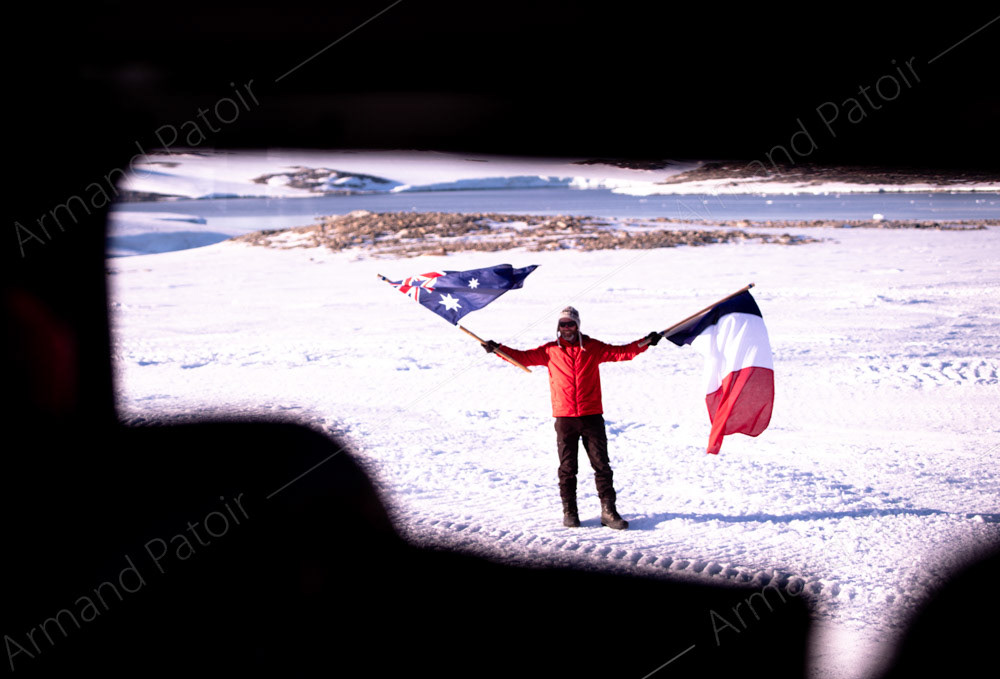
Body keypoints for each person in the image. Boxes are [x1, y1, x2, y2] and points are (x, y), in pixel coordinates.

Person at [482, 306, 661, 529]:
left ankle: (608, 512)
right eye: (563, 325)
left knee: (602, 465)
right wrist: (497, 349)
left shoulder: (593, 347)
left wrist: (645, 342)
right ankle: (570, 512)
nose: (567, 328)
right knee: (568, 467)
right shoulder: (550, 351)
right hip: (565, 418)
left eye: (571, 324)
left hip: (592, 416)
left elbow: (621, 352)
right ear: (558, 328)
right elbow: (522, 357)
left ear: (578, 325)